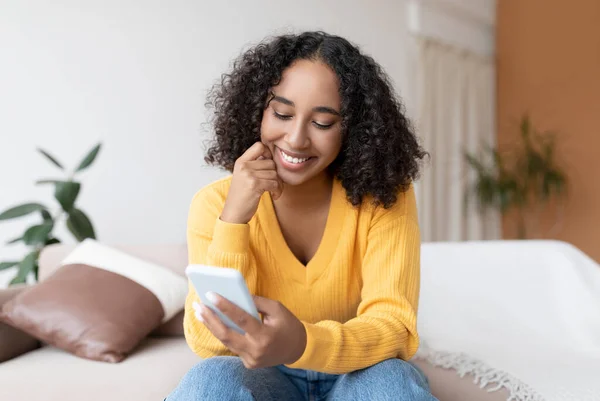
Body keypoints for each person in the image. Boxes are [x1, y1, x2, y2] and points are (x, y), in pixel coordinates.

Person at [166, 31, 436, 401]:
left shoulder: (384, 197)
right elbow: (207, 341)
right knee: (210, 381)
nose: (295, 139)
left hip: (357, 369)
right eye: (282, 113)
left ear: (352, 130)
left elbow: (395, 329)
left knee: (391, 384)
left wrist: (303, 343)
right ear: (258, 109)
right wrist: (235, 219)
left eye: (322, 123)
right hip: (262, 374)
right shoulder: (214, 204)